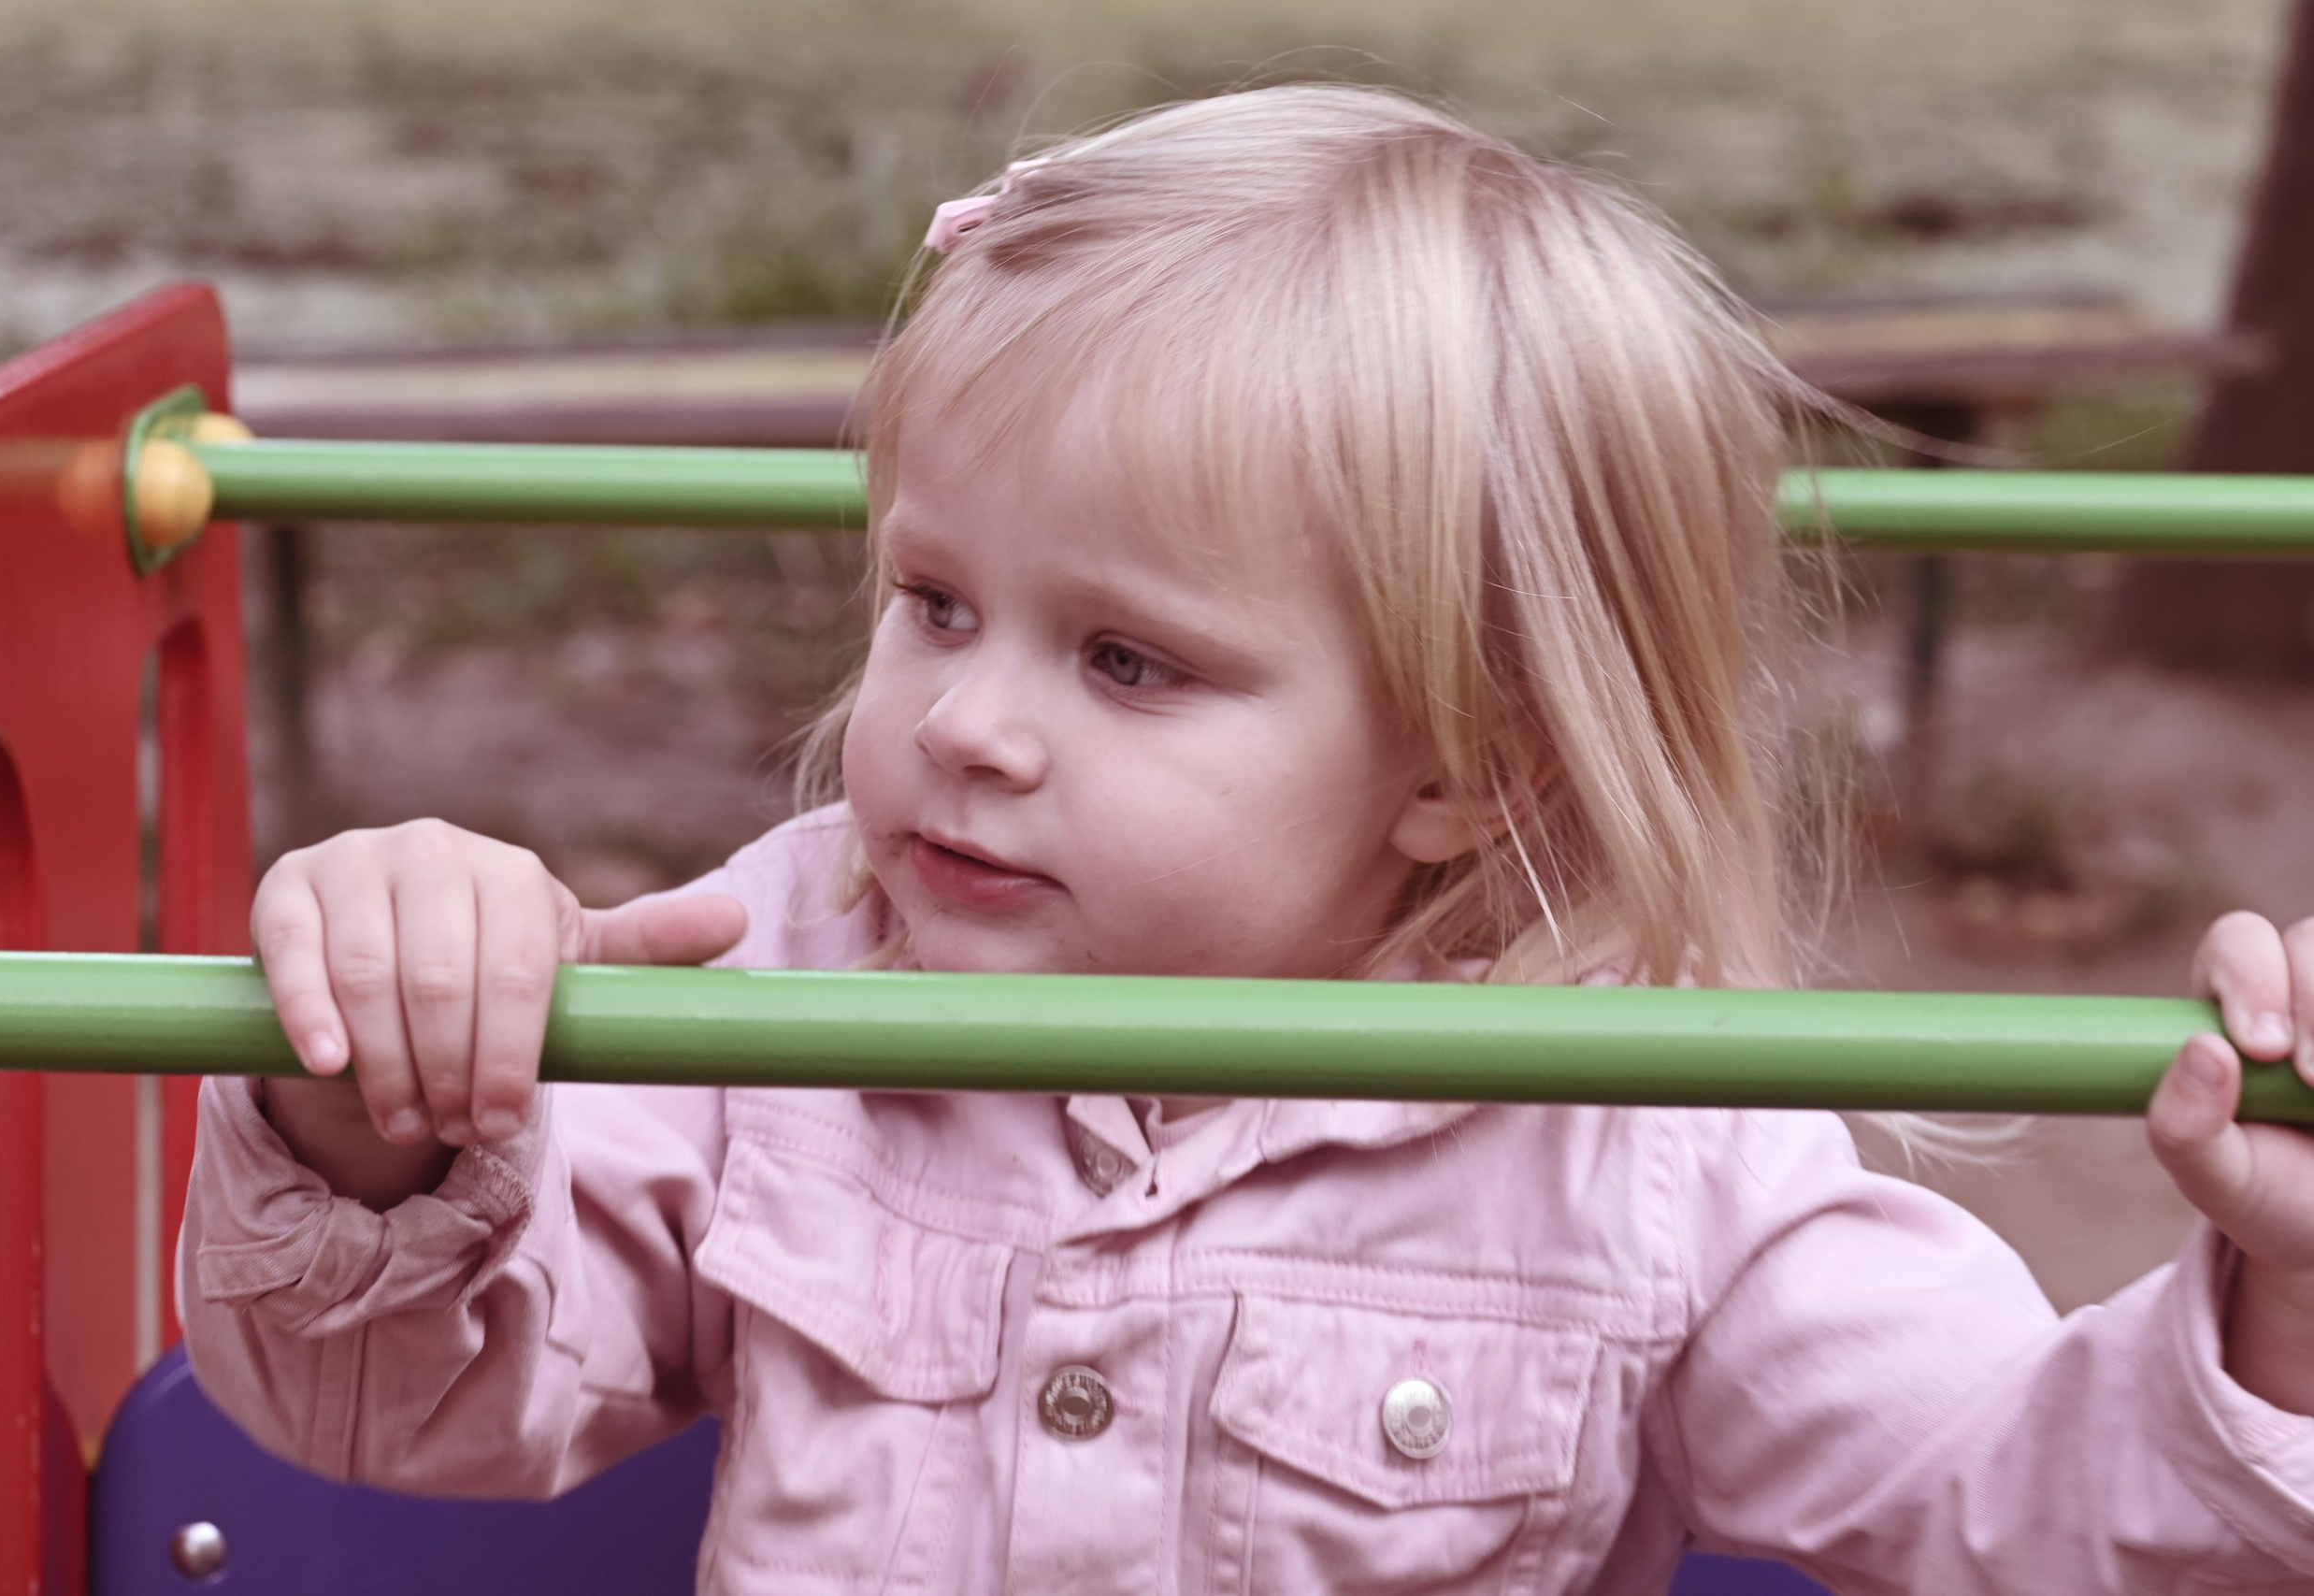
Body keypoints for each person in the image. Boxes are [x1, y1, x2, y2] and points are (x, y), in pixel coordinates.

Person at [181, 85, 2314, 1592]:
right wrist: (379, 1089)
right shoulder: (781, 975)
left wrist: (2286, 1295)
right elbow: (394, 1407)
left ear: (1461, 762)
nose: (966, 724)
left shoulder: (1648, 1142)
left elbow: (2021, 1512)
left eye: (1124, 661)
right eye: (936, 603)